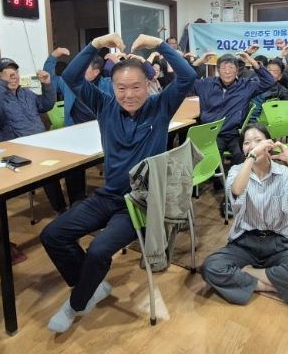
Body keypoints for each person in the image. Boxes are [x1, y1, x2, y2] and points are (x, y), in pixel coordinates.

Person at [39, 33, 196, 333]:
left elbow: (188, 76)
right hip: (108, 196)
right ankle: (90, 286)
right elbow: (71, 77)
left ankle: (76, 303)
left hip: (139, 201)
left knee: (98, 250)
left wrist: (160, 45)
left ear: (148, 85)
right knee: (53, 234)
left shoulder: (160, 106)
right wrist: (95, 46)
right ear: (112, 87)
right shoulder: (104, 106)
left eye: (136, 87)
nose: (129, 94)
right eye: (121, 88)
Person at [201, 123, 288, 305]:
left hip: (278, 243)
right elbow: (237, 192)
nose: (253, 146)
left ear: (269, 145)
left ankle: (249, 273)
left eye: (258, 141)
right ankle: (272, 286)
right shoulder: (237, 171)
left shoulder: (283, 173)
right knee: (210, 267)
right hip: (244, 242)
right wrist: (251, 156)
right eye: (247, 143)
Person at [0, 57, 62, 211]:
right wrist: (1, 85)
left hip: (39, 145)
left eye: (15, 73)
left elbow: (46, 105)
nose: (14, 77)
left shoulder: (26, 93)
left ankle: (74, 204)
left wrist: (47, 84)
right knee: (48, 170)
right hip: (15, 150)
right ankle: (61, 210)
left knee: (67, 162)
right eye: (8, 74)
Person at [44, 47, 113, 211]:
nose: (78, 70)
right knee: (71, 165)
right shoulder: (69, 83)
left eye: (84, 67)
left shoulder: (106, 84)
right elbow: (50, 78)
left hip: (100, 133)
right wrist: (52, 57)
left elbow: (123, 82)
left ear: (96, 72)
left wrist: (117, 62)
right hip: (74, 133)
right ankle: (76, 202)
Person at [194, 53, 274, 164]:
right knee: (211, 161)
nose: (227, 71)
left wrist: (252, 61)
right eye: (223, 68)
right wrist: (199, 61)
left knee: (242, 155)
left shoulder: (245, 86)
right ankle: (218, 175)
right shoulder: (206, 84)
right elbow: (187, 79)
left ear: (237, 70)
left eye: (231, 68)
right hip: (212, 134)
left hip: (234, 133)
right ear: (218, 70)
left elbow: (269, 81)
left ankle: (239, 174)